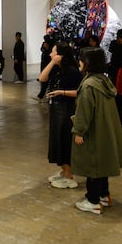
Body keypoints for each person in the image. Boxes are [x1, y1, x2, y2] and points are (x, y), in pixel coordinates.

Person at [71, 47, 122, 215]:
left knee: (93, 166)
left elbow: (84, 112)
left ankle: (93, 201)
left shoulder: (89, 85)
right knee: (102, 164)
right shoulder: (103, 80)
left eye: (81, 59)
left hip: (94, 131)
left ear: (88, 63)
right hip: (105, 130)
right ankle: (104, 195)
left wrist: (79, 131)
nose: (79, 62)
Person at [38, 42, 82, 189]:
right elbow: (42, 78)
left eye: (54, 52)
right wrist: (52, 62)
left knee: (64, 140)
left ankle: (69, 174)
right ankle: (63, 171)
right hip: (56, 109)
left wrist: (61, 92)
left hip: (66, 109)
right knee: (57, 139)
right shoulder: (58, 68)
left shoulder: (72, 71)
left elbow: (80, 92)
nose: (51, 54)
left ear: (62, 55)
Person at [35, 35, 53, 101]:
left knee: (47, 81)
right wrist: (44, 49)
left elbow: (49, 53)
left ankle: (43, 96)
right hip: (44, 62)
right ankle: (42, 95)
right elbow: (42, 49)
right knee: (44, 79)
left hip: (48, 63)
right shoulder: (44, 43)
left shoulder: (51, 45)